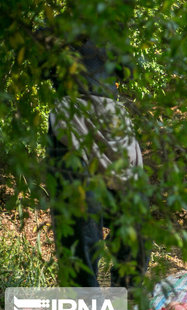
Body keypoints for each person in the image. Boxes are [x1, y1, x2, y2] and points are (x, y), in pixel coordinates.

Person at [46, 35, 150, 288]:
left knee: (134, 208)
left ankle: (128, 293)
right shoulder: (55, 31)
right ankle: (85, 303)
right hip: (71, 118)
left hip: (110, 118)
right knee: (82, 214)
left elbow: (127, 70)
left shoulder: (109, 30)